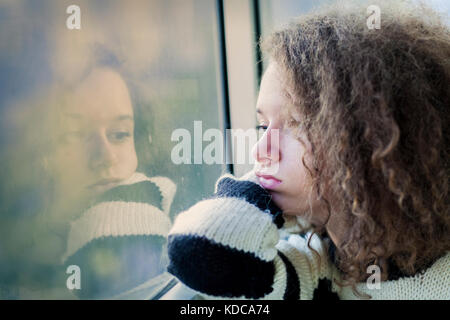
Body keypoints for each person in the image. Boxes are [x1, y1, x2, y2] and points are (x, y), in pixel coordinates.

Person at [167, 0, 450, 299]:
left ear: (371, 139)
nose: (261, 150)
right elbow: (194, 252)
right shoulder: (311, 267)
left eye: (296, 123)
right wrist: (254, 192)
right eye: (263, 126)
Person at [1, 67, 177, 299]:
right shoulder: (15, 255)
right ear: (44, 154)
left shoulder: (141, 217)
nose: (105, 156)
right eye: (75, 134)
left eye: (120, 133)